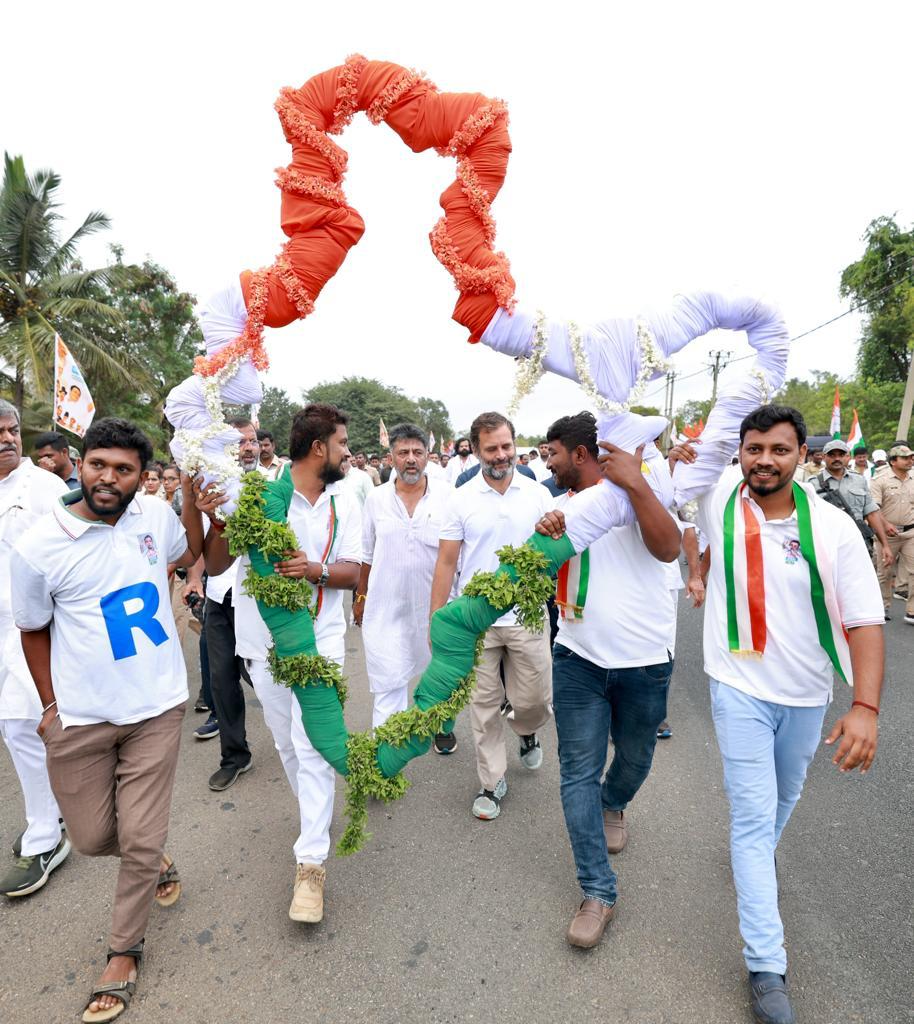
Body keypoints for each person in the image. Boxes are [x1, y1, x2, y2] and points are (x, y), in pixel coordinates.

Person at [671, 405, 885, 1024]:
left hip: (808, 696)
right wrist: (678, 454)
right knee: (752, 817)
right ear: (740, 452)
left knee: (782, 803)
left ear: (801, 456)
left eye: (779, 450)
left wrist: (864, 707)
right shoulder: (716, 499)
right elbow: (661, 484)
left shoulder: (834, 527)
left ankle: (755, 860)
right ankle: (767, 967)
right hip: (737, 686)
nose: (765, 460)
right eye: (754, 448)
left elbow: (865, 619)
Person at [11, 417, 213, 1022]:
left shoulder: (153, 515)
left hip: (156, 707)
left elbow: (195, 556)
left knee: (140, 838)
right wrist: (50, 711)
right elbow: (32, 629)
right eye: (99, 464)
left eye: (123, 470)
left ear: (140, 477)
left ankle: (123, 952)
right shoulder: (38, 545)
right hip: (80, 718)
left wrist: (203, 510)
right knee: (97, 837)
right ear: (81, 462)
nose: (108, 478)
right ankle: (153, 858)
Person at [210, 403, 361, 924]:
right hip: (261, 644)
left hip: (322, 640)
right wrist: (210, 517)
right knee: (285, 743)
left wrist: (315, 570)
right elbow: (213, 564)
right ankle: (313, 817)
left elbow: (355, 571)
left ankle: (310, 865)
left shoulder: (348, 498)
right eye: (342, 443)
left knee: (313, 743)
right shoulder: (260, 497)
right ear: (319, 448)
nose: (347, 452)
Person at [541, 412, 680, 948]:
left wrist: (636, 482)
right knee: (576, 773)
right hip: (577, 659)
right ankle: (598, 891)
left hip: (645, 662)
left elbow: (668, 548)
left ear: (583, 454)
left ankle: (614, 801)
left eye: (554, 453)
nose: (548, 462)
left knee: (636, 759)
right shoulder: (560, 507)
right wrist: (546, 532)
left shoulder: (643, 491)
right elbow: (541, 560)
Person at [430, 412, 554, 816]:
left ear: (514, 445)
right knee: (483, 705)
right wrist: (438, 619)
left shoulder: (537, 494)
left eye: (506, 446)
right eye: (491, 449)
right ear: (476, 451)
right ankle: (491, 782)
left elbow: (555, 550)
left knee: (533, 699)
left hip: (528, 617)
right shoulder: (461, 500)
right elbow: (447, 563)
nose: (501, 456)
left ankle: (527, 731)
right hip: (477, 621)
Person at [0, 400, 71, 899]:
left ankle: (48, 834)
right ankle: (55, 813)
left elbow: (69, 554)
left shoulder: (45, 488)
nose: (6, 438)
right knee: (17, 728)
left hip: (34, 629)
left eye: (12, 429)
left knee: (24, 724)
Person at [354, 424, 450, 726]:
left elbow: (457, 555)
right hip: (386, 607)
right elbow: (366, 554)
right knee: (387, 685)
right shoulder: (376, 499)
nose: (411, 459)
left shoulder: (448, 497)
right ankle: (385, 760)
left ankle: (441, 725)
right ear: (391, 457)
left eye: (417, 452)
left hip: (435, 607)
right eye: (403, 452)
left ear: (427, 456)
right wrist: (360, 596)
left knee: (440, 678)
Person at [203, 417, 259, 791]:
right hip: (216, 597)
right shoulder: (206, 486)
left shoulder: (272, 487)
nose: (248, 448)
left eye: (252, 441)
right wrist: (195, 579)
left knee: (268, 677)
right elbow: (196, 545)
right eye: (239, 443)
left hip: (255, 600)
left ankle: (305, 739)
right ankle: (235, 756)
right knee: (222, 681)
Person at [811, 440, 891, 571]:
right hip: (827, 545)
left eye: (841, 455)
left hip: (858, 542)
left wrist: (885, 545)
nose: (837, 458)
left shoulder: (859, 480)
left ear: (847, 457)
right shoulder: (813, 484)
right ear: (824, 457)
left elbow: (871, 513)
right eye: (832, 455)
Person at [870, 444, 914, 625]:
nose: (911, 460)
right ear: (893, 461)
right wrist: (886, 524)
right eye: (906, 458)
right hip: (886, 534)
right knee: (885, 572)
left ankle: (912, 610)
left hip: (911, 532)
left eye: (911, 457)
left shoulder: (913, 478)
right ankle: (882, 605)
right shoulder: (880, 479)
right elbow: (873, 508)